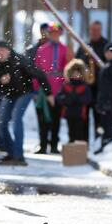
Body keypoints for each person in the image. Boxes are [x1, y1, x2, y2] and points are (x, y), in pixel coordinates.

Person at [0, 41, 52, 166]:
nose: (0, 54)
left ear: (9, 51)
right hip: (9, 94)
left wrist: (49, 94)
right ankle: (11, 152)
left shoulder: (20, 60)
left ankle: (19, 155)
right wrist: (0, 81)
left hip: (25, 92)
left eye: (3, 50)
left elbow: (40, 74)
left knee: (17, 118)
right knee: (1, 123)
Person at [34, 22, 74, 154]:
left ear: (60, 34)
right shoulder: (41, 49)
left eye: (57, 33)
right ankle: (43, 145)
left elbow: (69, 69)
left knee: (56, 118)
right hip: (43, 88)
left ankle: (54, 145)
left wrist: (66, 86)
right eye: (52, 33)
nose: (55, 36)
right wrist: (35, 88)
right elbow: (36, 71)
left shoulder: (65, 50)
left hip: (59, 88)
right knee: (42, 118)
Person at [76, 21, 109, 143]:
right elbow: (77, 62)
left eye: (97, 30)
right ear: (90, 30)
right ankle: (84, 144)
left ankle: (98, 143)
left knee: (99, 118)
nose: (95, 32)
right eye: (93, 30)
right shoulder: (84, 46)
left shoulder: (107, 46)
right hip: (85, 89)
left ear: (101, 30)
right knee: (83, 118)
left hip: (100, 89)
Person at [56, 59, 93, 143]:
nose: (76, 75)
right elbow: (59, 97)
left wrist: (78, 99)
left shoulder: (84, 86)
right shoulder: (66, 85)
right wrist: (67, 100)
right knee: (71, 132)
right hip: (69, 112)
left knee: (79, 133)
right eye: (74, 73)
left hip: (80, 113)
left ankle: (79, 151)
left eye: (78, 73)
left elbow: (88, 98)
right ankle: (71, 151)